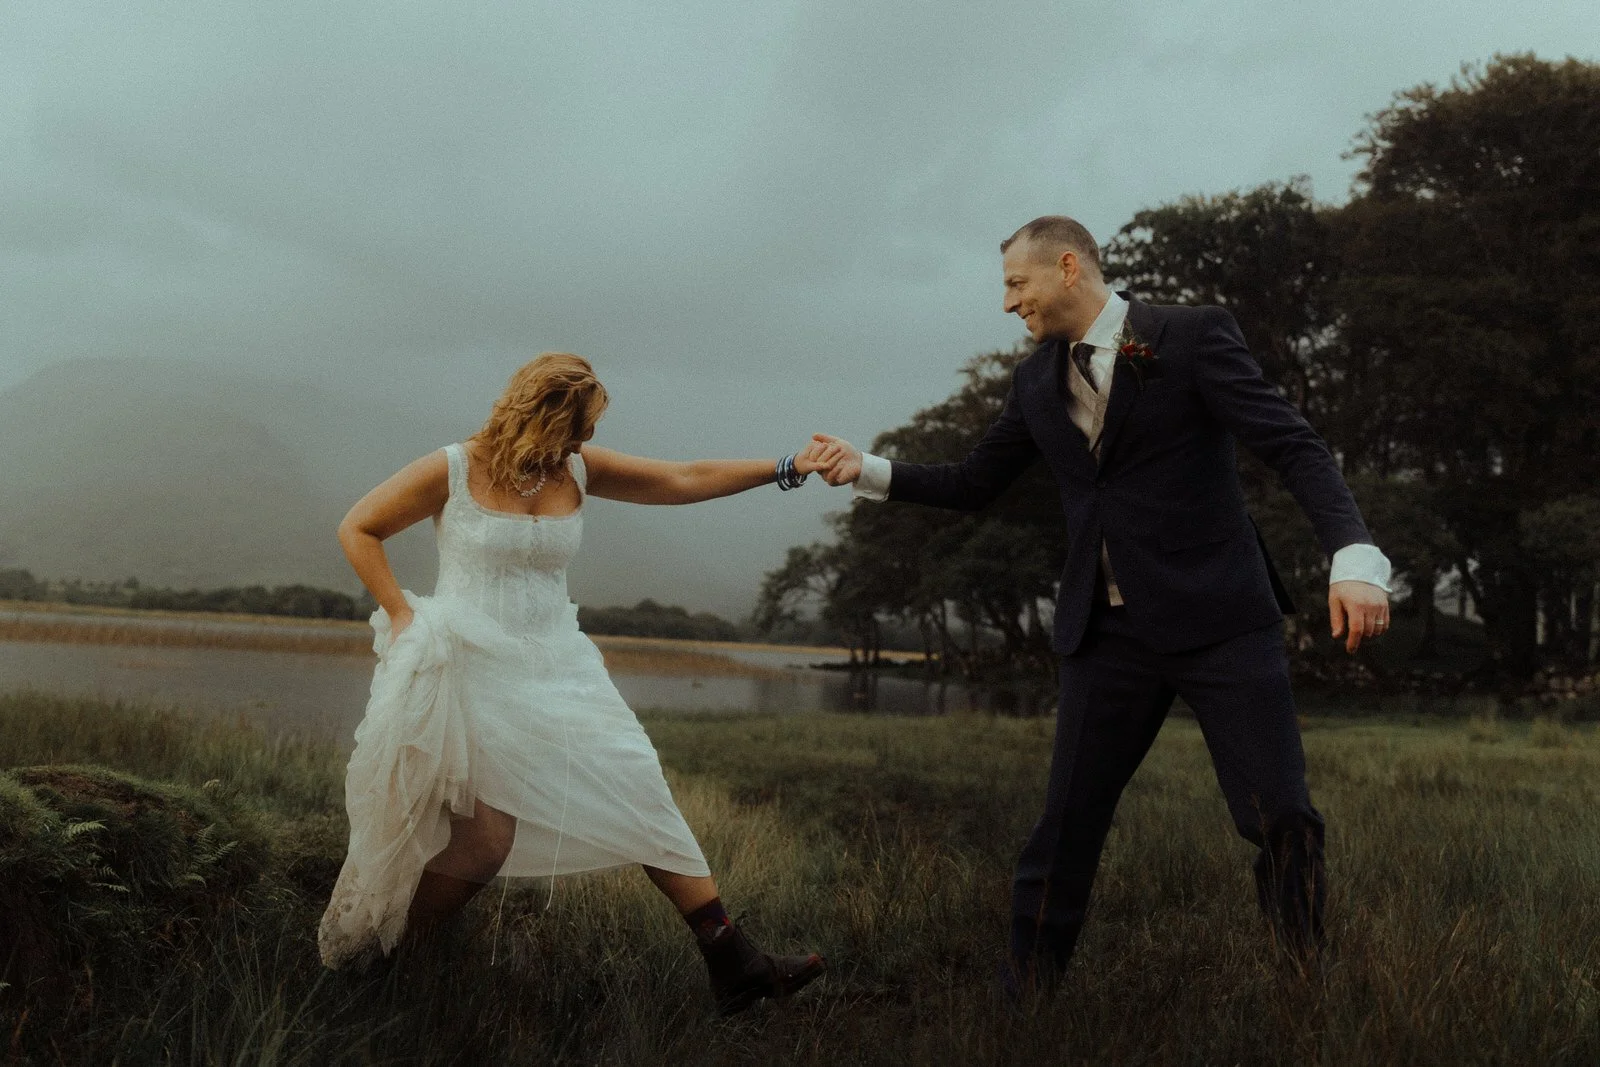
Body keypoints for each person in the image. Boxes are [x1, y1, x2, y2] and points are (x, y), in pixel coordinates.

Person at [809, 215, 1392, 993]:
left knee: (1279, 814)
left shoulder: (1192, 337)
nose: (1009, 304)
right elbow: (976, 481)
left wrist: (1353, 555)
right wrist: (868, 469)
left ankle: (1306, 979)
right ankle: (1026, 996)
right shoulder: (1031, 384)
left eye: (1017, 284)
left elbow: (1293, 445)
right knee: (1067, 825)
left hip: (1221, 621)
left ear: (1069, 268)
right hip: (1105, 633)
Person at [317, 352, 826, 1016]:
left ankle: (734, 959)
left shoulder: (578, 468)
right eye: (575, 429)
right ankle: (389, 963)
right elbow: (358, 527)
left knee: (638, 777)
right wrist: (405, 615)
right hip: (469, 663)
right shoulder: (454, 467)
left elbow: (683, 476)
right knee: (485, 842)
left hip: (561, 665)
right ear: (536, 416)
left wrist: (788, 468)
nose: (583, 444)